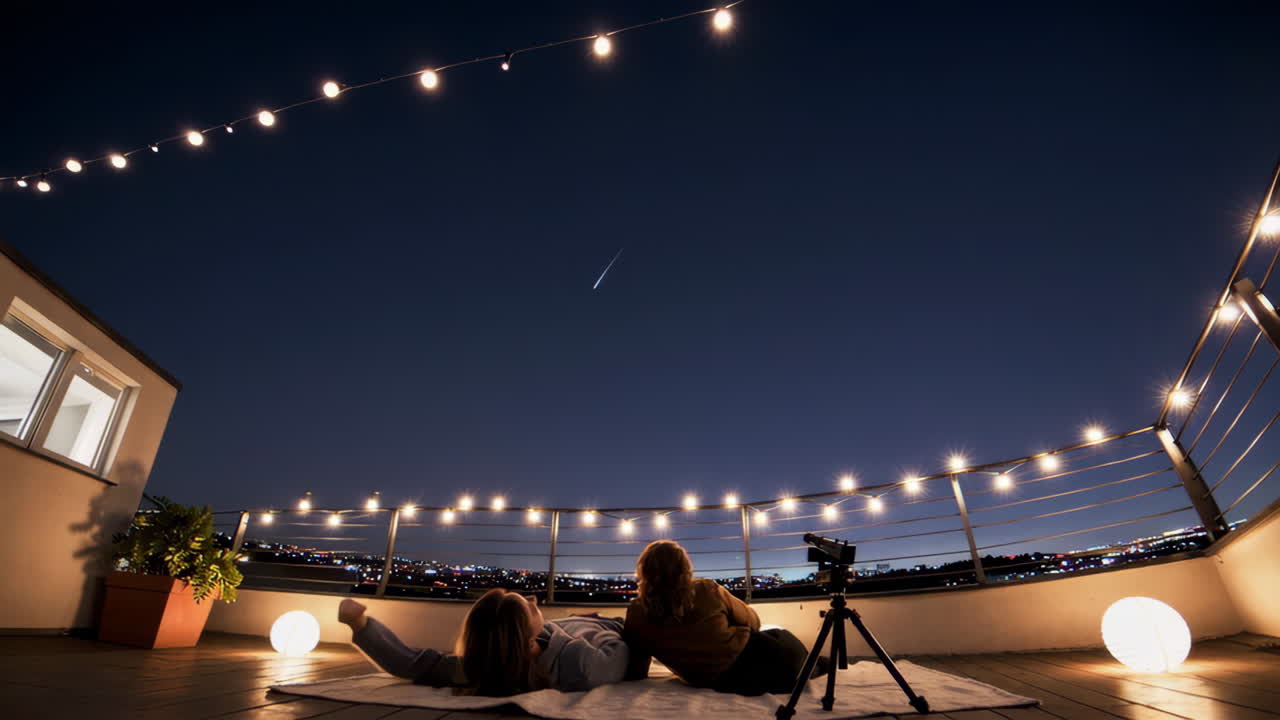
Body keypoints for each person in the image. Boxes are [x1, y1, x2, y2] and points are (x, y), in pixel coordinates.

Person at [338, 590, 640, 696]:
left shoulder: (479, 664)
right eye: (529, 607)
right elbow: (626, 653)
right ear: (525, 638)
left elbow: (412, 663)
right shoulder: (580, 664)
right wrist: (592, 625)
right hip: (606, 627)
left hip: (571, 624)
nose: (534, 599)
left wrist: (360, 624)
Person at [623, 539, 819, 695]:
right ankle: (818, 663)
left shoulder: (636, 613)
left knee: (792, 650)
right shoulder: (705, 589)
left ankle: (816, 663)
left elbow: (637, 667)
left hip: (722, 682)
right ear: (684, 568)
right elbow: (754, 622)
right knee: (784, 640)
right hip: (766, 659)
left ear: (644, 571)